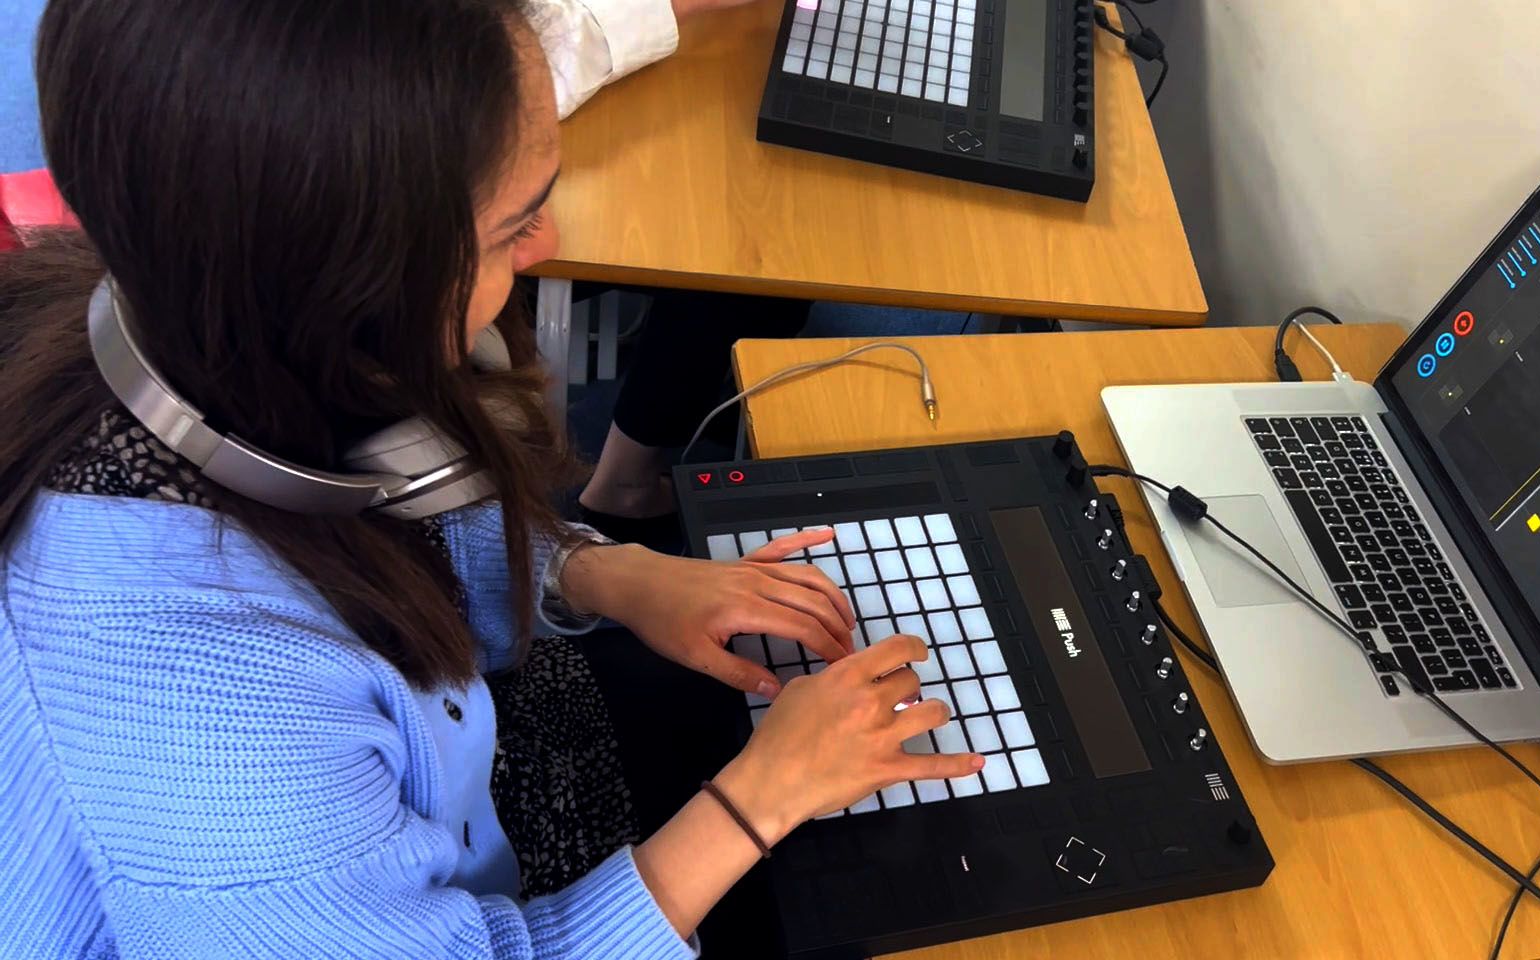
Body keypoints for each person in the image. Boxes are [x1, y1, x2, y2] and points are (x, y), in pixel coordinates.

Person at [0, 1, 981, 957]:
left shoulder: (200, 320)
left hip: (467, 753)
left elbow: (401, 519)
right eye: (513, 228)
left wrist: (604, 573)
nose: (547, 245)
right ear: (357, 285)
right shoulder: (207, 733)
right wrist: (761, 799)